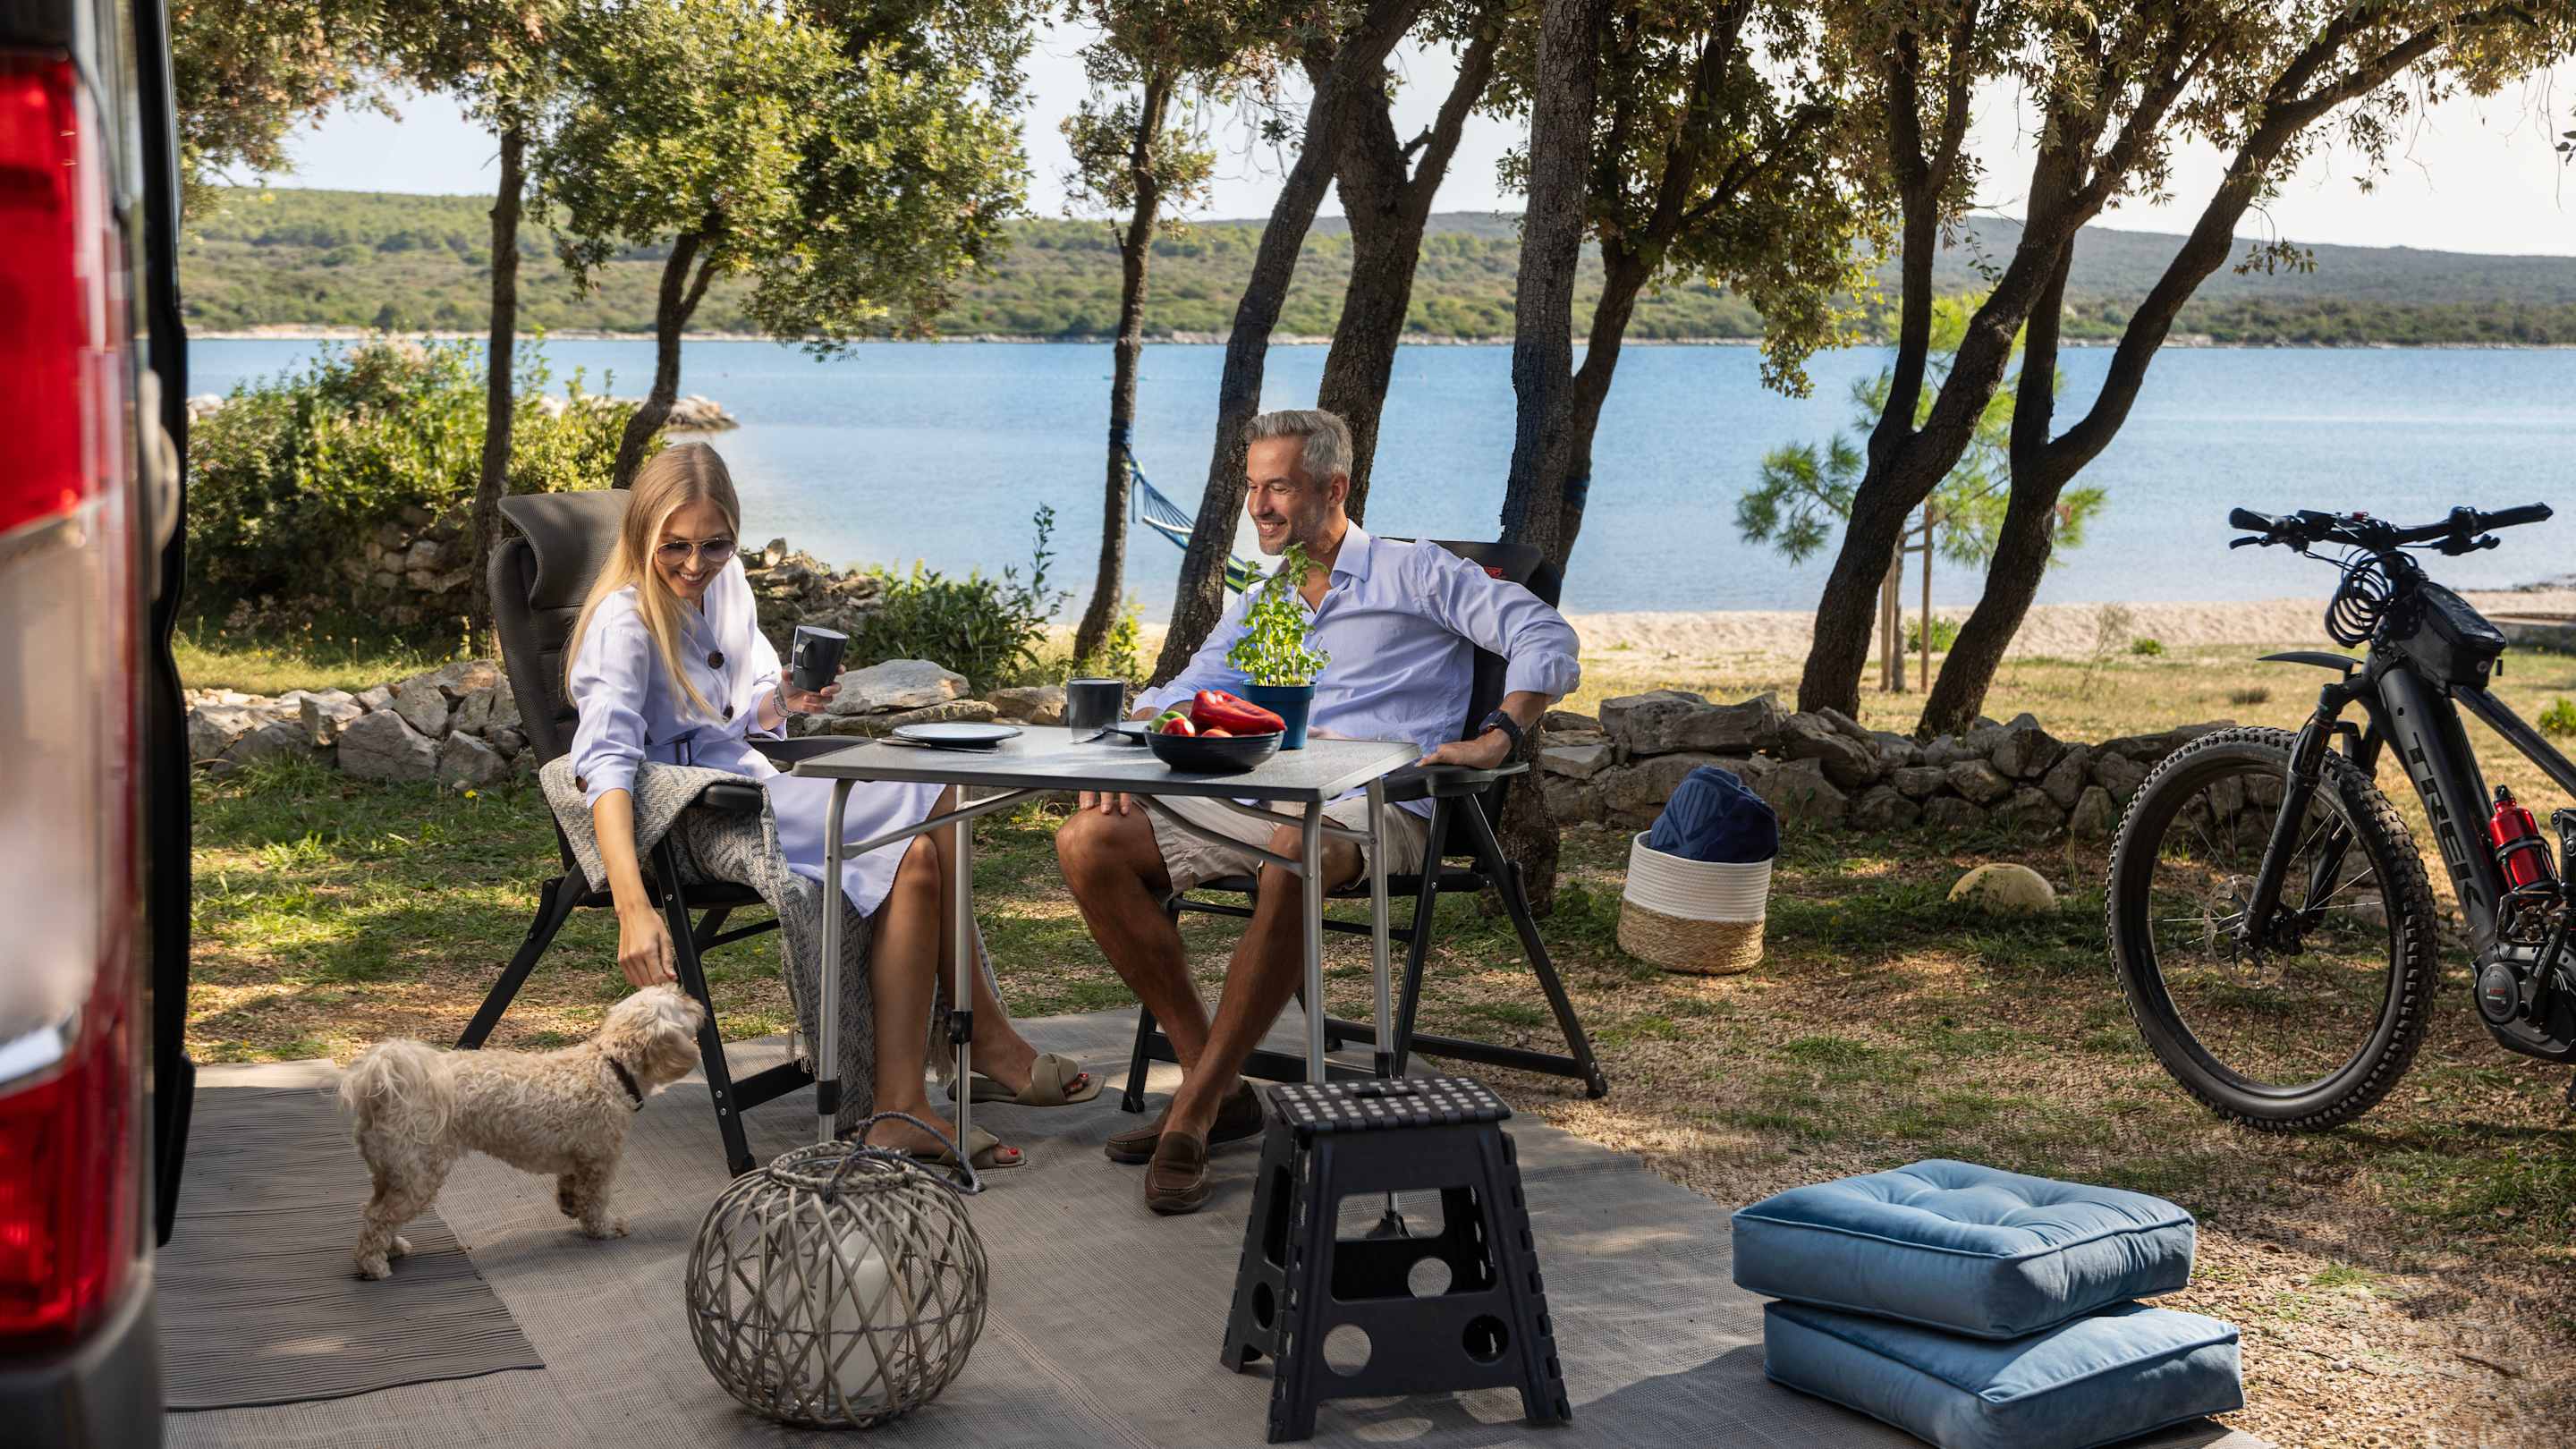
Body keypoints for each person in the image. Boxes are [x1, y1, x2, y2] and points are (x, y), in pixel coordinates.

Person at [1055, 410, 1580, 1214]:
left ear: (1334, 489)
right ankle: (1216, 1083)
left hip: (1383, 806)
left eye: (1279, 488)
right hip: (1264, 801)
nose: (1259, 507)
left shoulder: (1415, 572)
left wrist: (1498, 735)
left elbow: (1541, 631)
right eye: (1252, 487)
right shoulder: (1265, 598)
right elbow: (1186, 689)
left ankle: (1191, 1113)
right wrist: (1120, 748)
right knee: (1088, 840)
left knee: (1291, 851)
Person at [565, 443, 1097, 1170]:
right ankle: (949, 1069)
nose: (695, 565)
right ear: (642, 537)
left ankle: (930, 1081)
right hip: (700, 815)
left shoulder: (728, 587)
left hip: (756, 782)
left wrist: (783, 699)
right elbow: (606, 767)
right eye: (675, 546)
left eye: (715, 544)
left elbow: (739, 716)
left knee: (932, 814)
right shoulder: (623, 624)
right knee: (921, 831)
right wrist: (633, 905)